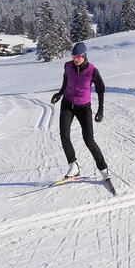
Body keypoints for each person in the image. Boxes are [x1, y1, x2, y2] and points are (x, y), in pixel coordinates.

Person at [50, 42, 109, 181]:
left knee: (89, 139)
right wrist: (60, 93)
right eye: (73, 56)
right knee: (64, 134)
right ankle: (73, 166)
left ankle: (103, 169)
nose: (75, 59)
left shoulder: (92, 70)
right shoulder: (68, 66)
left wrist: (100, 110)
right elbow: (66, 80)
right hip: (67, 104)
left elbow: (101, 89)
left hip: (83, 107)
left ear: (84, 56)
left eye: (78, 57)